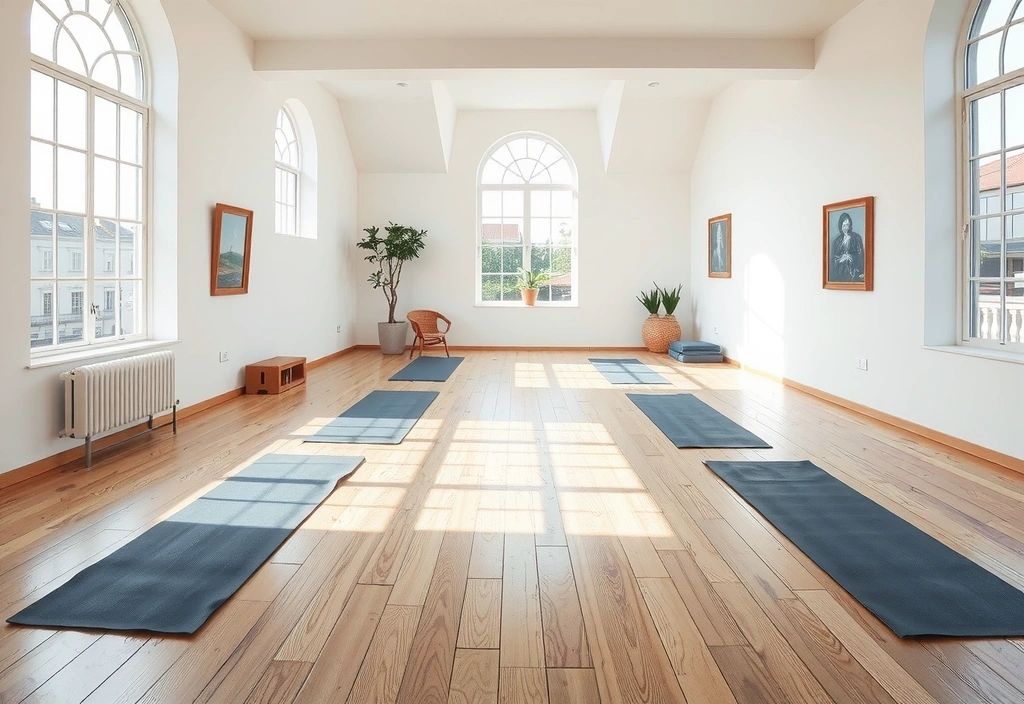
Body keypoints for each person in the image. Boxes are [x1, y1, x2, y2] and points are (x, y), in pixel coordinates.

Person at [829, 212, 864, 282]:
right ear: (840, 226)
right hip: (839, 275)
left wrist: (850, 256)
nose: (846, 228)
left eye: (847, 225)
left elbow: (861, 257)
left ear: (850, 225)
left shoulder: (856, 238)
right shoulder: (836, 241)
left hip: (853, 275)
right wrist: (841, 259)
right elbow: (832, 261)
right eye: (844, 225)